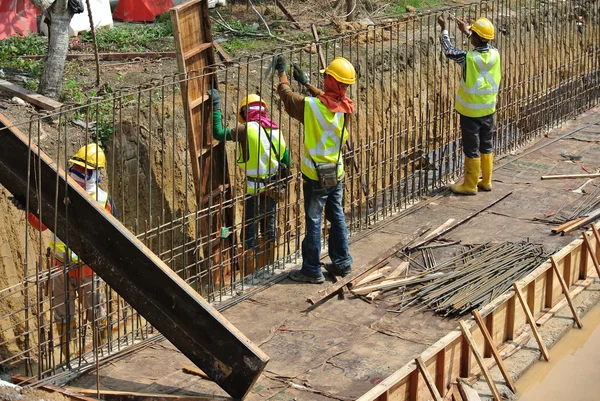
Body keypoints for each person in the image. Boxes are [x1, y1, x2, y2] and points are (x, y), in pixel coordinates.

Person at [10, 143, 117, 360]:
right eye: (79, 168)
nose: (81, 174)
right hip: (60, 266)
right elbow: (40, 224)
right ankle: (70, 359)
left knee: (96, 313)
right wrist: (28, 207)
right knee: (63, 316)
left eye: (85, 170)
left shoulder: (103, 200)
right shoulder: (58, 193)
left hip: (87, 268)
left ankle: (102, 355)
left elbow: (110, 236)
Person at [274, 56, 355, 284]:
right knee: (337, 216)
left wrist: (283, 75)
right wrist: (308, 84)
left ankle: (311, 269)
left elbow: (288, 99)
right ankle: (342, 262)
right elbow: (328, 101)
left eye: (326, 76)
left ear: (331, 80)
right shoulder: (346, 108)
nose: (324, 79)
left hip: (315, 176)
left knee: (314, 221)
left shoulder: (310, 107)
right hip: (336, 173)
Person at [207, 89, 291, 274]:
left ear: (245, 112)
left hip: (254, 189)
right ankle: (269, 267)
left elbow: (219, 133)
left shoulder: (247, 129)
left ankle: (251, 273)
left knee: (249, 231)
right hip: (273, 187)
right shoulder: (276, 129)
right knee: (269, 226)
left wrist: (216, 106)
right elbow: (287, 159)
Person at [438, 15, 501, 195]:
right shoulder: (495, 53)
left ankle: (470, 185)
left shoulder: (468, 58)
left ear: (476, 38)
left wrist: (444, 29)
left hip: (471, 112)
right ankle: (486, 181)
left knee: (471, 148)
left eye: (472, 35)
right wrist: (467, 31)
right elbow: (482, 43)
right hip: (489, 109)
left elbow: (449, 50)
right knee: (486, 145)